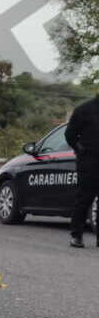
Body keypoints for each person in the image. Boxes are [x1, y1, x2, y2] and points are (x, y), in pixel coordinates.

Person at [65, 95, 99, 248]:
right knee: (84, 198)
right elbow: (69, 134)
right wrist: (80, 150)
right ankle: (76, 236)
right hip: (88, 161)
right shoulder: (84, 110)